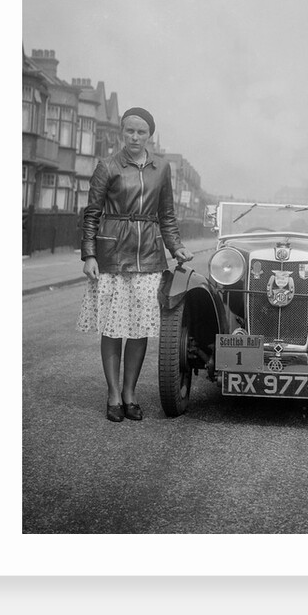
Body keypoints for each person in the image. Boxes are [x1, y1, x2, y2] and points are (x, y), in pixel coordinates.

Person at [77, 106, 193, 422]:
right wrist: (89, 254)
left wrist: (176, 247)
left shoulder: (161, 169)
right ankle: (113, 394)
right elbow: (92, 213)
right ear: (121, 133)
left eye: (141, 132)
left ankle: (130, 393)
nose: (135, 137)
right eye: (129, 131)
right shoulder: (108, 166)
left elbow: (167, 215)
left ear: (149, 136)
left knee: (140, 328)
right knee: (114, 328)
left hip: (150, 258)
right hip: (113, 256)